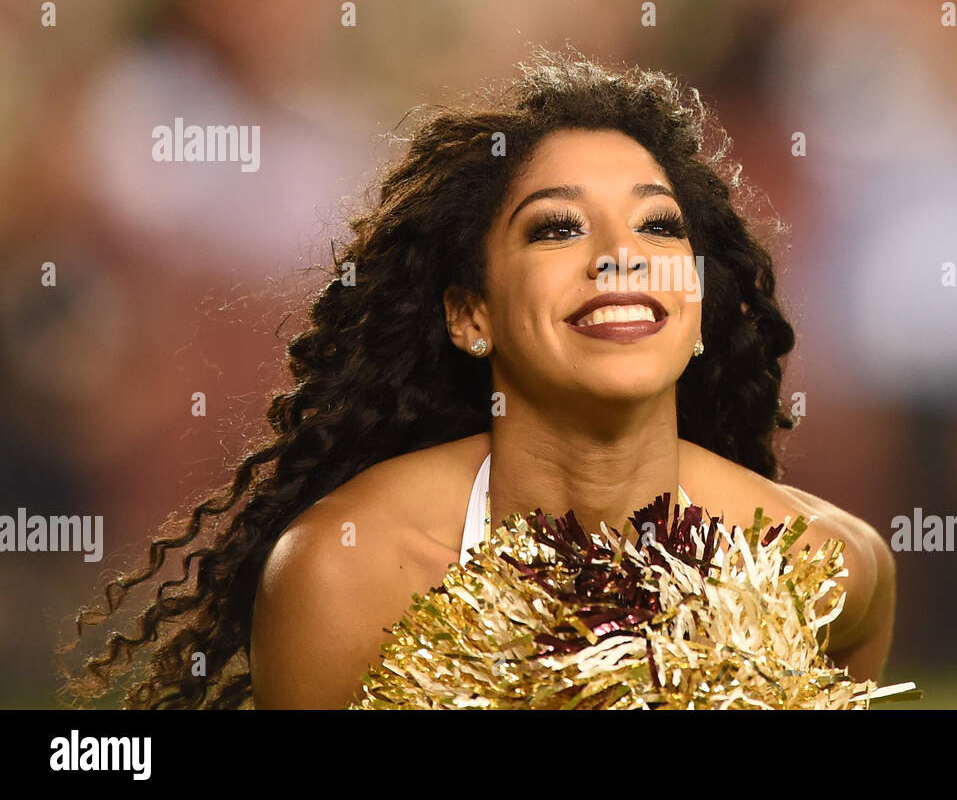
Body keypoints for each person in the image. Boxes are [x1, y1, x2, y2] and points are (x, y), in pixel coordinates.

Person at [56, 47, 895, 709]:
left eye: (659, 224)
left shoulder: (828, 566)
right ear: (471, 314)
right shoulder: (348, 572)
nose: (620, 255)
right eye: (557, 228)